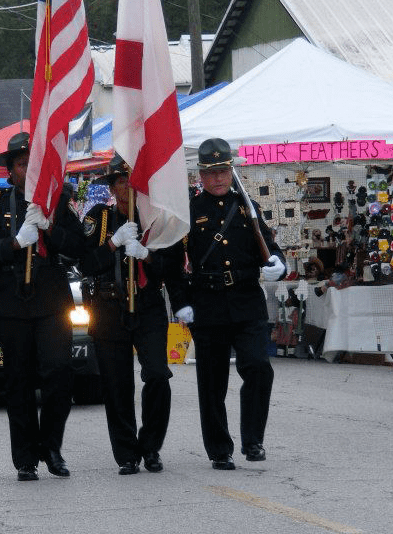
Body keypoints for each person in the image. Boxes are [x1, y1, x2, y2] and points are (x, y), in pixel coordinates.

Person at [0, 132, 85, 482]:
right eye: (23, 165)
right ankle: (24, 457)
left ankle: (51, 447)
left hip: (50, 297)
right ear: (12, 171)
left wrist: (50, 229)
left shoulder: (57, 201)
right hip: (10, 300)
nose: (29, 170)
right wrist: (14, 243)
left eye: (34, 164)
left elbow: (78, 247)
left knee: (58, 373)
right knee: (17, 381)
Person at [172, 138, 286, 468]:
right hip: (207, 303)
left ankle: (253, 440)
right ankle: (220, 449)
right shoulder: (190, 211)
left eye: (223, 171)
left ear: (230, 171)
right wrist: (180, 301)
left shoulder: (246, 206)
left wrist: (278, 263)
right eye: (212, 173)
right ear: (201, 177)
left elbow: (266, 243)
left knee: (259, 368)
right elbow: (172, 260)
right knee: (212, 381)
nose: (219, 179)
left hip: (247, 300)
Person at [78, 154, 181, 475]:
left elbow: (173, 267)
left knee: (157, 375)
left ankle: (150, 447)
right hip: (109, 307)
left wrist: (147, 256)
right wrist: (113, 244)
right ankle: (126, 453)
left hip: (148, 306)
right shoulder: (99, 218)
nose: (128, 187)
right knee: (116, 384)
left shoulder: (156, 220)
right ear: (112, 186)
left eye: (134, 181)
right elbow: (84, 264)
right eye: (122, 181)